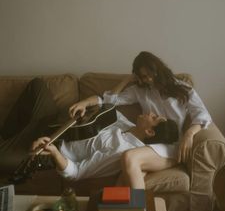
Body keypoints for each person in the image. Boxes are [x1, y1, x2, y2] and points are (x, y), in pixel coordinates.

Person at [69, 51, 213, 188]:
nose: (148, 79)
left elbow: (203, 115)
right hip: (145, 142)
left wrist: (189, 134)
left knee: (130, 159)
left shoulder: (182, 88)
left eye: (150, 74)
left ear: (157, 69)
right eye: (143, 77)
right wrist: (85, 102)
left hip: (171, 145)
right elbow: (110, 100)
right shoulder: (141, 91)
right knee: (124, 179)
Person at [31, 112, 166, 180]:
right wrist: (86, 107)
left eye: (154, 117)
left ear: (149, 131)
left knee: (15, 149)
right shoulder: (129, 125)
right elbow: (108, 105)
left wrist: (54, 152)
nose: (151, 113)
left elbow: (76, 172)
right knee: (38, 85)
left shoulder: (121, 151)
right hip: (57, 127)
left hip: (50, 148)